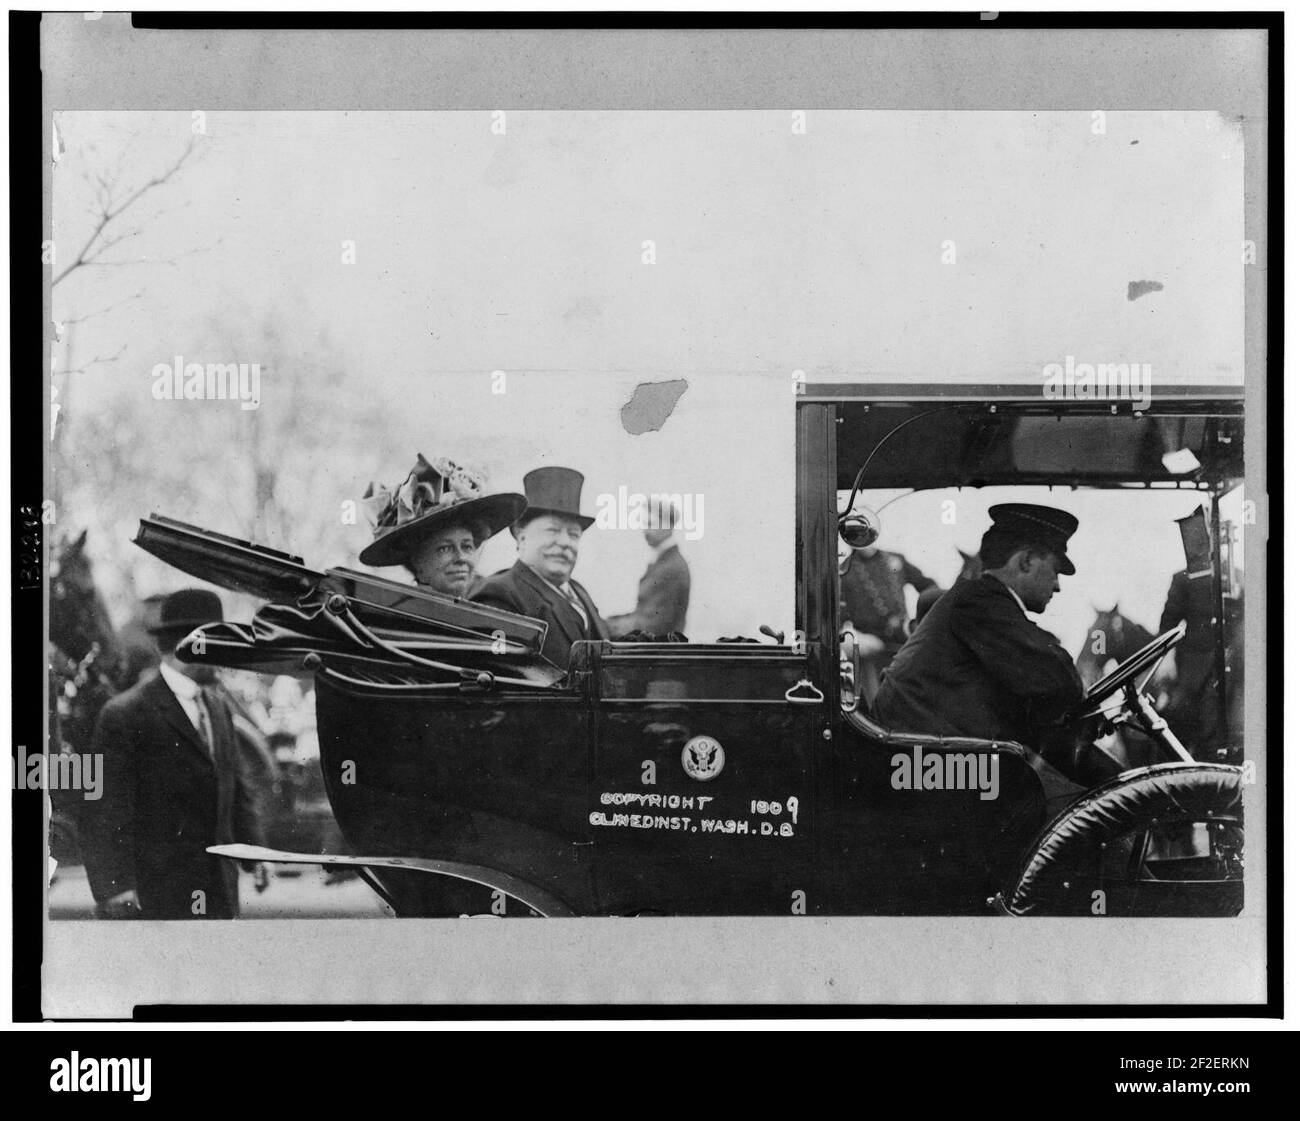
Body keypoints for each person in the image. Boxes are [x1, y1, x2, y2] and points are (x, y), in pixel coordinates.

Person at [81, 590, 269, 919]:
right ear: (190, 644)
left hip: (220, 894)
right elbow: (104, 812)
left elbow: (235, 790)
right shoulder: (126, 714)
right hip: (156, 899)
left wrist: (255, 855)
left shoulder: (218, 709)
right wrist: (115, 888)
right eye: (219, 643)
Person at [871, 504, 1089, 772]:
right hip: (928, 771)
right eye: (1055, 570)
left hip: (927, 763)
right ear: (1026, 561)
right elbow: (1058, 679)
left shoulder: (979, 602)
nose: (1057, 585)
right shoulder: (981, 604)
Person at [472, 466, 610, 666]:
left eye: (573, 534)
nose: (565, 542)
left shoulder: (579, 592)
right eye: (552, 530)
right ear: (522, 536)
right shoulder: (499, 596)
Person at [359, 453, 527, 597]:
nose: (461, 558)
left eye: (467, 546)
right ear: (417, 563)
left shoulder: (485, 617)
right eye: (444, 548)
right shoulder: (396, 619)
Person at [838, 542, 937, 698]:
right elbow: (839, 616)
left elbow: (929, 587)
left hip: (902, 634)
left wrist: (923, 616)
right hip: (871, 640)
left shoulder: (895, 559)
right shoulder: (843, 570)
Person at [607, 497, 691, 637]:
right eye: (644, 524)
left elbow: (652, 625)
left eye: (651, 524)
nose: (645, 530)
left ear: (668, 526)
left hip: (659, 654)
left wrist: (606, 626)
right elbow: (643, 614)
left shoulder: (670, 568)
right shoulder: (665, 562)